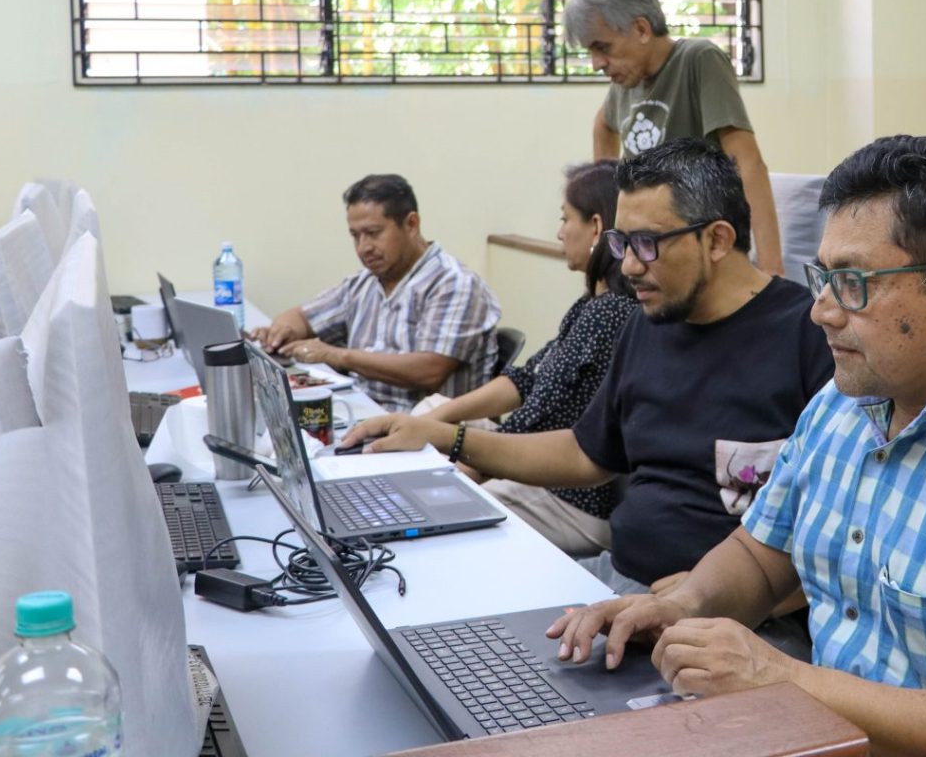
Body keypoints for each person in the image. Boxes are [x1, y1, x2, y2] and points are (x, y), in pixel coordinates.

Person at [548, 135, 926, 757]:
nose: (820, 311)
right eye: (822, 277)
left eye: (852, 283)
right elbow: (762, 554)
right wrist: (681, 605)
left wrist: (783, 679)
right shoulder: (846, 404)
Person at [342, 140, 832, 594]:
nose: (630, 266)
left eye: (647, 243)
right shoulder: (649, 323)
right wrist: (442, 435)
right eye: (622, 243)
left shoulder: (809, 336)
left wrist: (707, 598)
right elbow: (586, 454)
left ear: (718, 240)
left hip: (731, 611)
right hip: (622, 576)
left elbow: (841, 535)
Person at [338, 161, 637, 557]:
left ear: (596, 227)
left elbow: (536, 418)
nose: (559, 232)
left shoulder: (609, 312)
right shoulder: (591, 304)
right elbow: (526, 380)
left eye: (565, 219)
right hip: (542, 464)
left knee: (437, 514)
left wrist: (456, 467)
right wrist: (433, 420)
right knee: (432, 409)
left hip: (571, 498)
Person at [565, 0, 786, 277]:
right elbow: (602, 125)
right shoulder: (625, 84)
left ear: (641, 29)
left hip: (698, 250)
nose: (597, 64)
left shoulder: (698, 59)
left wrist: (771, 267)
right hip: (645, 253)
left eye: (603, 48)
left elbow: (747, 162)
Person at [253, 174, 501, 409]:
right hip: (364, 413)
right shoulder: (364, 282)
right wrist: (281, 332)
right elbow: (300, 317)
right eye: (355, 236)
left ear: (411, 224)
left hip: (426, 429)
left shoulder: (454, 283)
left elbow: (429, 371)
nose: (364, 247)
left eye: (373, 233)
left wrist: (338, 356)